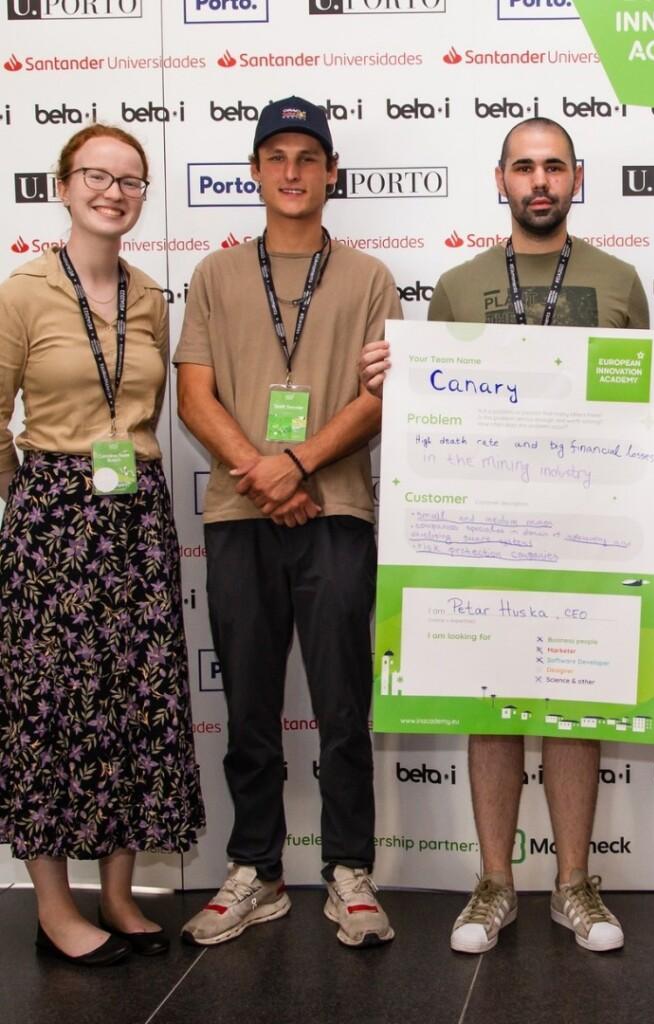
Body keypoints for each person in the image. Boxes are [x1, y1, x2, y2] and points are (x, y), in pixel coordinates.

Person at [359, 117, 654, 955]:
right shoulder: (458, 283)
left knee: (577, 705)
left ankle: (574, 885)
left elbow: (644, 414)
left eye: (554, 167)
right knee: (491, 702)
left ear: (576, 179)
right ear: (500, 180)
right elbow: (431, 406)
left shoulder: (619, 281)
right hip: (483, 532)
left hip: (589, 534)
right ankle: (493, 883)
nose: (539, 181)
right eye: (525, 167)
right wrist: (389, 384)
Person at [174, 97, 399, 948]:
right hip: (239, 511)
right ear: (257, 171)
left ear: (332, 172)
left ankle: (349, 870)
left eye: (309, 156)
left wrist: (297, 464)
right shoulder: (214, 275)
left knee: (344, 704)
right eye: (277, 156)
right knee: (249, 706)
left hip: (336, 510)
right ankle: (256, 871)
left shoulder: (371, 277)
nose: (293, 171)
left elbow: (382, 396)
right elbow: (196, 395)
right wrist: (266, 475)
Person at [0, 124, 204, 966]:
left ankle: (118, 893)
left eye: (130, 180)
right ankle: (55, 909)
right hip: (54, 525)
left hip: (137, 521)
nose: (113, 192)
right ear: (63, 185)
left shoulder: (151, 295)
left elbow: (146, 416)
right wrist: (35, 495)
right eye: (96, 176)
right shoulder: (23, 293)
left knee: (137, 704)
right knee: (51, 712)